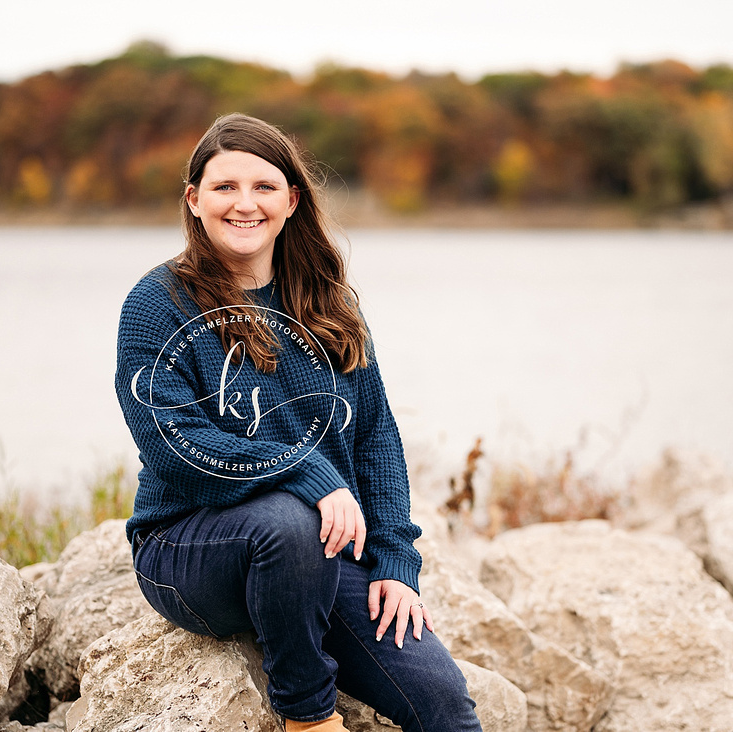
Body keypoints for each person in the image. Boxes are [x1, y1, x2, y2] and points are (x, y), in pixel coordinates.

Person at [115, 113, 482, 732]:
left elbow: (375, 439)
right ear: (194, 200)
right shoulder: (158, 303)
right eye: (224, 187)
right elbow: (177, 447)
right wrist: (308, 470)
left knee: (442, 702)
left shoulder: (327, 301)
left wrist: (394, 562)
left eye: (263, 187)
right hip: (190, 551)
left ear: (291, 201)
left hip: (320, 556)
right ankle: (308, 717)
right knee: (288, 521)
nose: (244, 204)